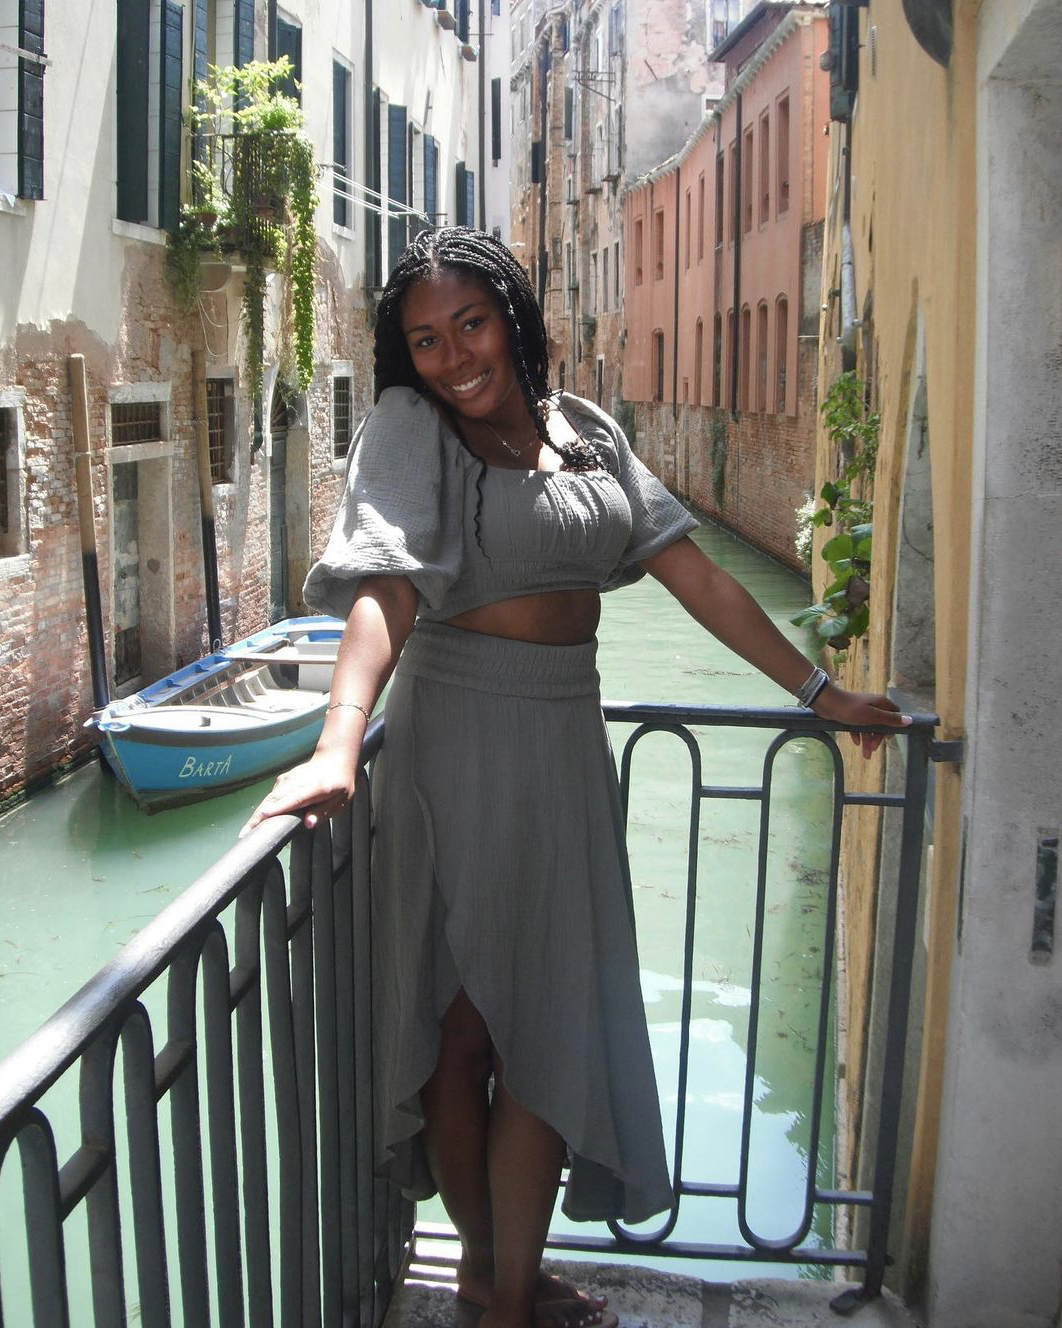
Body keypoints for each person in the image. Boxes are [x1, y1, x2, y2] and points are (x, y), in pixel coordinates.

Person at [242, 227, 907, 1328]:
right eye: (426, 340)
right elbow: (386, 593)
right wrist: (337, 738)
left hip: (561, 750)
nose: (456, 355)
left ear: (511, 313)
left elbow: (694, 575)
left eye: (471, 324)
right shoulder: (411, 429)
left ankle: (507, 1275)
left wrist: (818, 693)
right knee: (460, 1035)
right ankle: (493, 1281)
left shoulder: (585, 429)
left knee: (546, 1025)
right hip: (449, 747)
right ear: (405, 358)